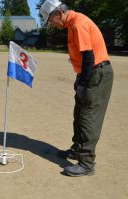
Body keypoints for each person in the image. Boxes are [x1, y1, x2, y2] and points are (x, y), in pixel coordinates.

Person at [40, 0, 113, 176]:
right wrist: (80, 79)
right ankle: (78, 149)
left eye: (50, 20)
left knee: (88, 117)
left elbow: (88, 57)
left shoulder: (78, 23)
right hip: (89, 73)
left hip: (96, 73)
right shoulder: (72, 24)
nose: (52, 25)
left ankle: (87, 163)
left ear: (58, 13)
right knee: (79, 114)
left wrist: (83, 82)